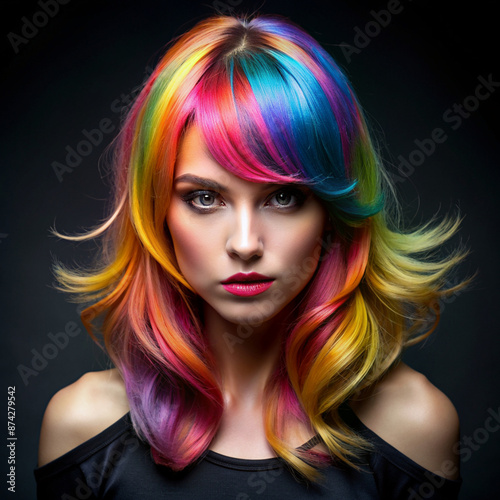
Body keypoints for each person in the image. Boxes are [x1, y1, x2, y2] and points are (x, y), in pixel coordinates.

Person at [34, 14, 470, 499]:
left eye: (283, 198)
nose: (245, 243)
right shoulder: (82, 428)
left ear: (333, 213)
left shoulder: (413, 427)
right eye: (204, 198)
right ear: (157, 213)